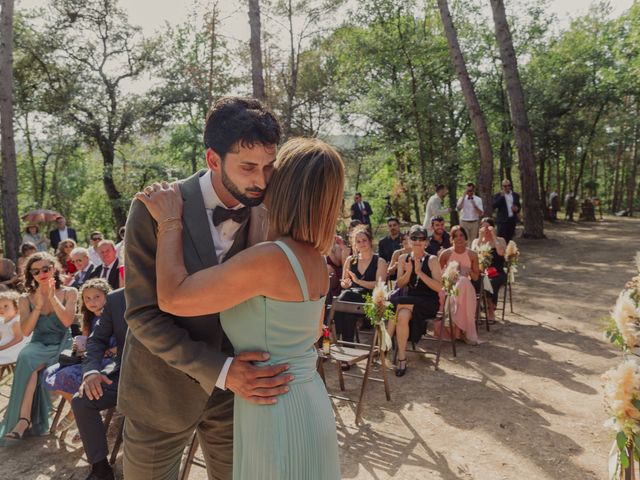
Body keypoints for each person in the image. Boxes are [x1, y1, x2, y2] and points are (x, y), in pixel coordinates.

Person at [136, 136, 342, 480]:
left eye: (272, 170)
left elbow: (173, 297)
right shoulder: (315, 259)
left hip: (273, 404)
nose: (261, 179)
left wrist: (170, 223)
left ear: (285, 186)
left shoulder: (270, 259)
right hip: (306, 399)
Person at [120, 97, 290, 479]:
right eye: (248, 168)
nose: (261, 180)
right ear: (213, 160)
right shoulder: (153, 208)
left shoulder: (270, 208)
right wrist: (221, 370)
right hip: (161, 392)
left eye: (268, 166)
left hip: (237, 398)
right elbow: (143, 316)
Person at [0, 252, 76, 442]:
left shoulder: (69, 292)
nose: (41, 273)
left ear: (54, 269)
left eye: (46, 269)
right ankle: (24, 419)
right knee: (26, 357)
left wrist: (52, 297)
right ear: (30, 275)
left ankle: (25, 420)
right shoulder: (25, 298)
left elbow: (67, 322)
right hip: (39, 342)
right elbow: (25, 332)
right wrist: (39, 306)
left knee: (37, 370)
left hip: (62, 342)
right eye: (35, 271)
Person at [43, 279, 113, 436]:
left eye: (96, 297)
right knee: (50, 373)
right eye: (87, 298)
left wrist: (110, 350)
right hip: (90, 359)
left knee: (70, 376)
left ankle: (81, 414)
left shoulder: (114, 316)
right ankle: (78, 412)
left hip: (108, 361)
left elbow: (124, 341)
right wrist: (79, 347)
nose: (91, 301)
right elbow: (86, 343)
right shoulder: (89, 318)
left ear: (107, 296)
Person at [72, 288, 127, 480]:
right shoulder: (116, 298)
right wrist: (92, 371)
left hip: (167, 378)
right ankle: (101, 468)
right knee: (82, 399)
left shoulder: (178, 285)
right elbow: (96, 341)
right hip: (125, 373)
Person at [387, 225, 442, 377]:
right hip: (408, 303)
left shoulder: (432, 260)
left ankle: (383, 344)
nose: (417, 241)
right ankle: (402, 359)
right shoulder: (403, 258)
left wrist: (419, 272)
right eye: (414, 238)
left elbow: (439, 287)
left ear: (426, 242)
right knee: (402, 314)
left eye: (421, 238)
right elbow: (400, 284)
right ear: (409, 241)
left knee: (395, 302)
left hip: (428, 302)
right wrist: (410, 271)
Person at [335, 225, 387, 350]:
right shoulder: (350, 260)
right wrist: (346, 284)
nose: (361, 243)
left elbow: (379, 286)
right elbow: (343, 282)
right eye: (358, 241)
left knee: (344, 299)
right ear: (354, 244)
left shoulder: (379, 261)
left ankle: (334, 330)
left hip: (371, 299)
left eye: (364, 240)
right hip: (351, 299)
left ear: (370, 241)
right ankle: (348, 349)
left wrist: (358, 281)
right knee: (348, 310)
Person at [439, 226, 480, 345]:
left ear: (466, 238)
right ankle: (461, 331)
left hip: (466, 289)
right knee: (461, 282)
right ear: (451, 239)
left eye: (461, 235)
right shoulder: (446, 254)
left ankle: (461, 329)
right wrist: (449, 274)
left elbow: (476, 277)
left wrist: (469, 271)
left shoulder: (472, 254)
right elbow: (437, 275)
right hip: (449, 287)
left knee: (464, 281)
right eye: (455, 236)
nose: (459, 238)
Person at [471, 218, 507, 323]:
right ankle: (477, 309)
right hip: (481, 271)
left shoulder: (500, 240)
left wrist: (494, 236)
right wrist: (480, 237)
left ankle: (490, 309)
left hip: (497, 272)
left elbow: (501, 253)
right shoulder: (476, 241)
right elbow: (473, 255)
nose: (485, 229)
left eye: (488, 227)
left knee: (490, 282)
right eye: (483, 227)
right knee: (476, 281)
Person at [0, 290, 30, 365]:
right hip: (6, 344)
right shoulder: (3, 320)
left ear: (16, 307)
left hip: (16, 347)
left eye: (6, 306)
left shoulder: (15, 321)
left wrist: (3, 347)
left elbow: (18, 338)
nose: (1, 309)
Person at [492, 179, 520, 243]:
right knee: (501, 238)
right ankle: (501, 252)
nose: (507, 187)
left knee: (510, 239)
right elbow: (494, 205)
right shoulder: (498, 195)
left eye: (509, 185)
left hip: (512, 220)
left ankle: (509, 252)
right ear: (502, 186)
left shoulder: (515, 195)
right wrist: (501, 197)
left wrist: (517, 209)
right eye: (505, 186)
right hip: (502, 221)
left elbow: (518, 206)